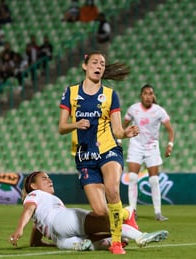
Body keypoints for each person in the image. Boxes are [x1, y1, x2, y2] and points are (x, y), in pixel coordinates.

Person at [58, 51, 140, 254]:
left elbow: (118, 130)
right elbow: (61, 127)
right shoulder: (71, 92)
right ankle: (125, 213)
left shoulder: (111, 95)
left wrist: (127, 133)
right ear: (85, 66)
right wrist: (76, 123)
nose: (99, 66)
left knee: (112, 190)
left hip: (108, 149)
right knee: (101, 211)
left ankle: (116, 242)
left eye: (102, 64)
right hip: (85, 156)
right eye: (95, 62)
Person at [9, 171, 168, 251]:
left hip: (59, 238)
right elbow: (28, 209)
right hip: (63, 220)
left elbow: (35, 240)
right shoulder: (35, 195)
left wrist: (45, 244)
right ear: (33, 186)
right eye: (44, 179)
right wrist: (18, 229)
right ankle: (140, 236)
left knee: (92, 241)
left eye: (49, 177)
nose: (49, 179)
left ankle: (100, 243)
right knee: (111, 225)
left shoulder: (41, 208)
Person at [123, 84, 175, 221]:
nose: (148, 96)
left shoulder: (159, 111)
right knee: (133, 178)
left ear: (153, 96)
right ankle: (132, 212)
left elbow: (170, 130)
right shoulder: (133, 109)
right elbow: (123, 125)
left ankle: (158, 212)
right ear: (141, 95)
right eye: (146, 93)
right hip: (136, 145)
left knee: (154, 180)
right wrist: (118, 139)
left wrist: (170, 145)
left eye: (151, 93)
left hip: (152, 147)